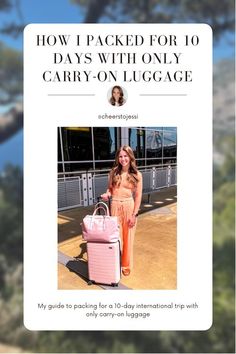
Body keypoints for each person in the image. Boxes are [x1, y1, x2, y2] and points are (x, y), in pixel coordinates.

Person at [101, 145, 142, 276]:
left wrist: (134, 214)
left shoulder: (137, 174)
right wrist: (107, 194)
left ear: (130, 157)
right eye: (120, 156)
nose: (123, 159)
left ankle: (126, 265)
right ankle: (115, 262)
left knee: (128, 238)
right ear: (117, 158)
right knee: (115, 237)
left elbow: (138, 196)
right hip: (114, 205)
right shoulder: (113, 172)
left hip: (129, 207)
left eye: (125, 156)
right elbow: (110, 189)